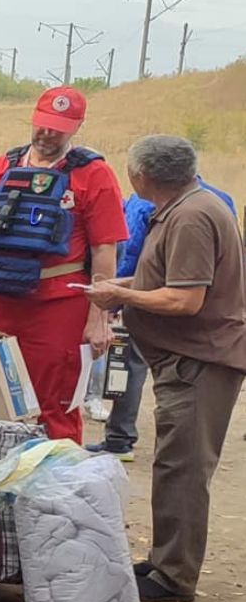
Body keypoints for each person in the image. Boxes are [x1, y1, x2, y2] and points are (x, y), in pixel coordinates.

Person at [85, 136, 246, 602]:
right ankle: (164, 559)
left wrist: (122, 297)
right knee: (174, 462)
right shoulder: (184, 208)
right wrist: (123, 284)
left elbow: (184, 298)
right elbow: (168, 279)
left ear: (142, 176)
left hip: (201, 360)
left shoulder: (194, 215)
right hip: (187, 358)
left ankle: (174, 575)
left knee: (184, 467)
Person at [0, 85, 128, 443]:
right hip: (1, 301)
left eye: (59, 126)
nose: (47, 132)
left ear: (76, 127)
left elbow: (105, 250)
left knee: (55, 407)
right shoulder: (0, 168)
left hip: (60, 306)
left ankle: (56, 494)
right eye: (43, 123)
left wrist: (99, 319)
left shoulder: (93, 175)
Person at [94, 174, 235, 461]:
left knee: (130, 368)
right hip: (207, 313)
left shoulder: (147, 202)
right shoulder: (219, 199)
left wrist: (115, 300)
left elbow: (131, 249)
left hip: (156, 302)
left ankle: (120, 437)